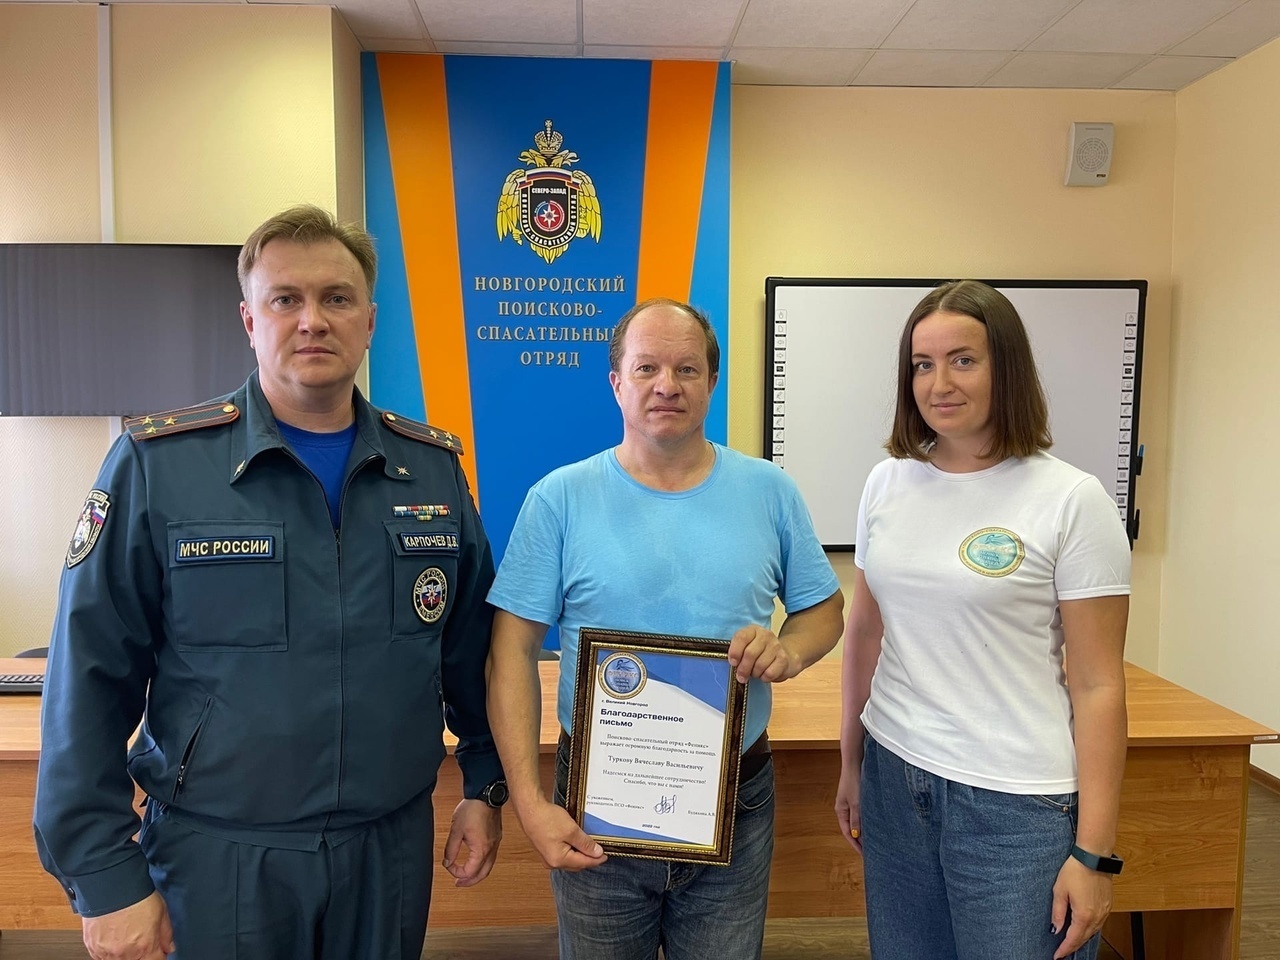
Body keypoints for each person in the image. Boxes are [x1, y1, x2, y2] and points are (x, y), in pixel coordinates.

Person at [34, 205, 506, 960]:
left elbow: (472, 652)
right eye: (286, 298)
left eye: (337, 298)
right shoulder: (159, 466)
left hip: (386, 850)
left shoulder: (431, 471)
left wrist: (484, 783)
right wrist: (104, 875)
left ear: (370, 321)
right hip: (218, 855)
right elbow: (86, 677)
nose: (313, 320)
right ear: (250, 320)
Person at [486, 297, 845, 960]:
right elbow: (510, 651)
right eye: (646, 367)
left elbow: (824, 610)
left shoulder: (770, 491)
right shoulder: (559, 498)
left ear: (711, 382)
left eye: (686, 369)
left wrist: (790, 649)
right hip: (595, 801)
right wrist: (530, 803)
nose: (666, 385)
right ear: (616, 382)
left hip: (735, 797)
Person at [835, 280, 1131, 960]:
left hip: (1015, 806)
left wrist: (1094, 855)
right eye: (923, 364)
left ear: (1008, 367)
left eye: (963, 360)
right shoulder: (888, 482)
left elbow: (1098, 685)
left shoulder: (1072, 500)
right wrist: (851, 763)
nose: (939, 383)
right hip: (894, 777)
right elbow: (866, 633)